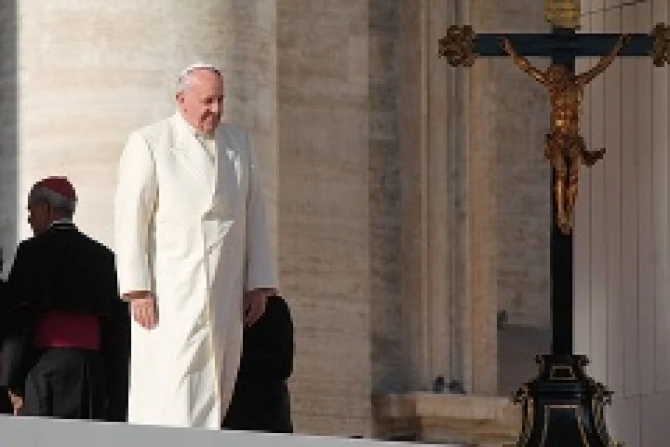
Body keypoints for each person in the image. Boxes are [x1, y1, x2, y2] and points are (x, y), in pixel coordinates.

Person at [114, 62, 278, 429]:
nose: (216, 110)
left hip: (224, 289)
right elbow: (131, 219)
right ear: (181, 100)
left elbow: (256, 214)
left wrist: (259, 284)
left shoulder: (240, 144)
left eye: (221, 101)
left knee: (216, 380)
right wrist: (137, 289)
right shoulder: (150, 143)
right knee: (171, 387)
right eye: (207, 101)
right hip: (170, 292)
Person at [0, 177, 128, 419]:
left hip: (46, 370)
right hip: (91, 372)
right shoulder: (103, 257)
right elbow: (116, 333)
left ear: (45, 209)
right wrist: (117, 390)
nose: (29, 218)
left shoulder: (31, 253)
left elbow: (20, 324)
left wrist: (12, 381)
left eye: (31, 210)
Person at [499, 34, 630, 234]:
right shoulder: (552, 88)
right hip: (558, 138)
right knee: (561, 173)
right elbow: (526, 67)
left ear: (562, 75)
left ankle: (568, 213)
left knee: (574, 176)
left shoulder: (577, 83)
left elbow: (601, 66)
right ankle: (561, 214)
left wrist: (617, 46)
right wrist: (510, 51)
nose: (554, 81)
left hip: (573, 137)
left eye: (556, 78)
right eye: (552, 79)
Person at [222, 295, 294, 433]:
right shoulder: (218, 309)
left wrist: (231, 359)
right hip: (227, 417)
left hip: (264, 418)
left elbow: (282, 365)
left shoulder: (273, 306)